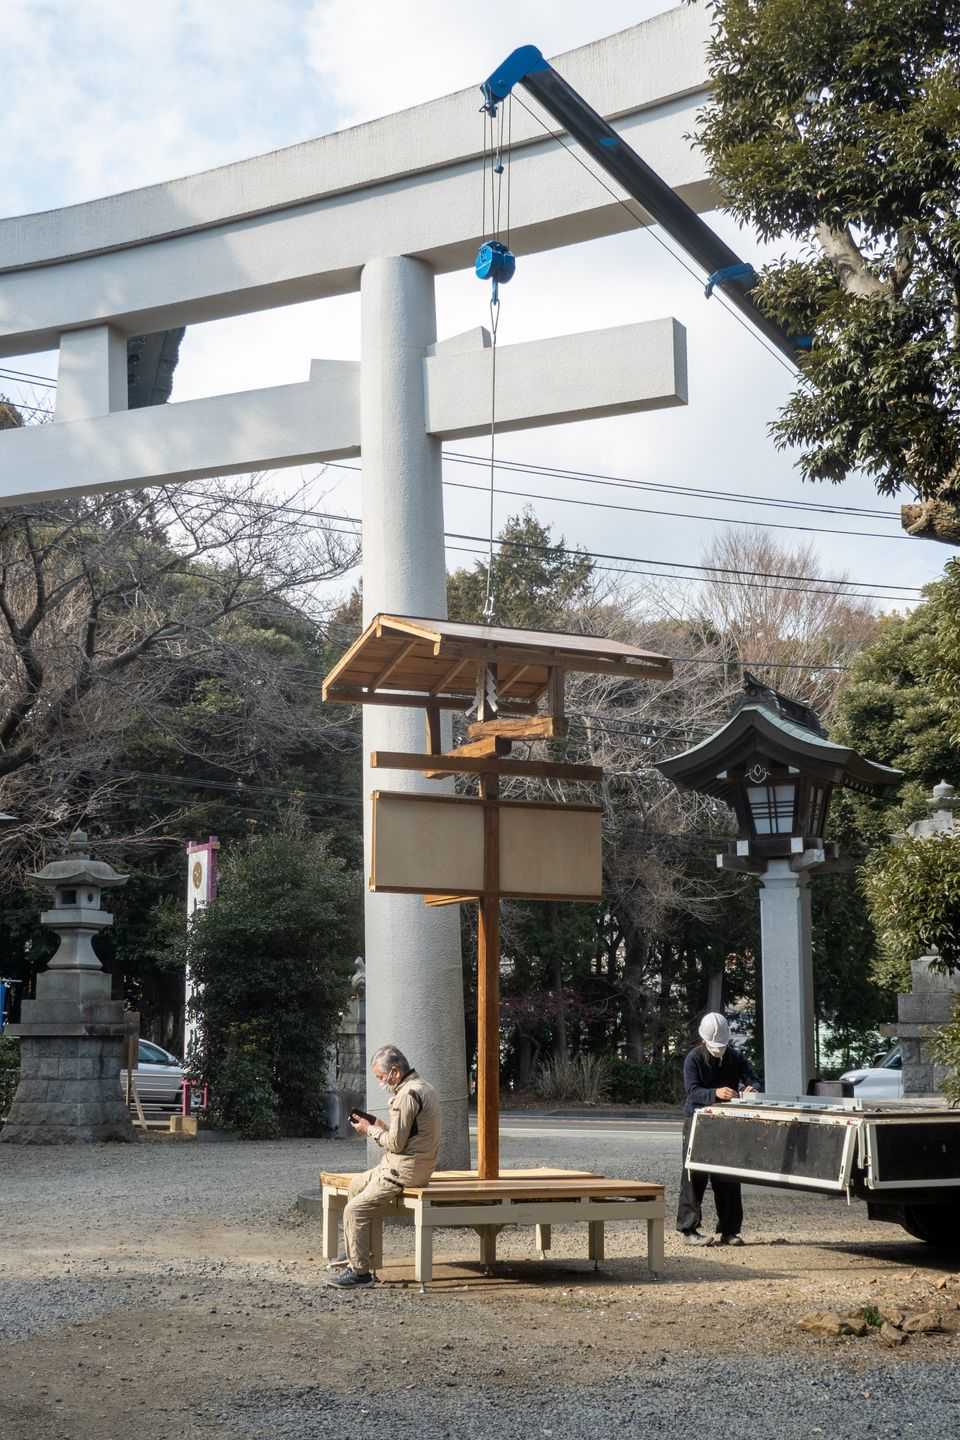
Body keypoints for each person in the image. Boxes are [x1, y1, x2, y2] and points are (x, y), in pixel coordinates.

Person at [328, 1043, 441, 1289]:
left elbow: (396, 1144)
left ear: (395, 1072)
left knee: (354, 1210)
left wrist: (370, 1130)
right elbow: (411, 1134)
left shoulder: (406, 1096)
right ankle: (358, 1254)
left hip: (403, 1171)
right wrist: (379, 1123)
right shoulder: (424, 1087)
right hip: (415, 1165)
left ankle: (360, 1273)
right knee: (356, 1185)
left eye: (381, 1077)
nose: (381, 1082)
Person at [676, 1012, 760, 1247]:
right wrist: (715, 1093)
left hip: (727, 1122)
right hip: (697, 1121)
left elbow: (753, 1077)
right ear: (703, 1040)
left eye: (722, 1046)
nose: (719, 1050)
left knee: (729, 1176)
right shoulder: (693, 1059)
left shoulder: (734, 1056)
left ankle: (729, 1230)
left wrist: (752, 1087)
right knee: (694, 1176)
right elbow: (692, 1091)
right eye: (715, 1046)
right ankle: (688, 1229)